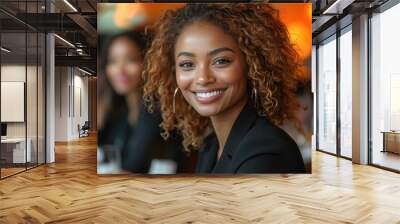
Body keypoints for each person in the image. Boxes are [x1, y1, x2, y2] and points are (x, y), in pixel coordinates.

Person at [142, 4, 306, 173]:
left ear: (252, 64)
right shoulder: (211, 146)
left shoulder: (266, 152)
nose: (203, 78)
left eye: (221, 61)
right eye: (187, 64)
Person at [98, 31, 184, 173]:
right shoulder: (118, 112)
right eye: (113, 61)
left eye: (130, 60)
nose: (120, 70)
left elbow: (166, 174)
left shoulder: (164, 117)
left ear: (148, 63)